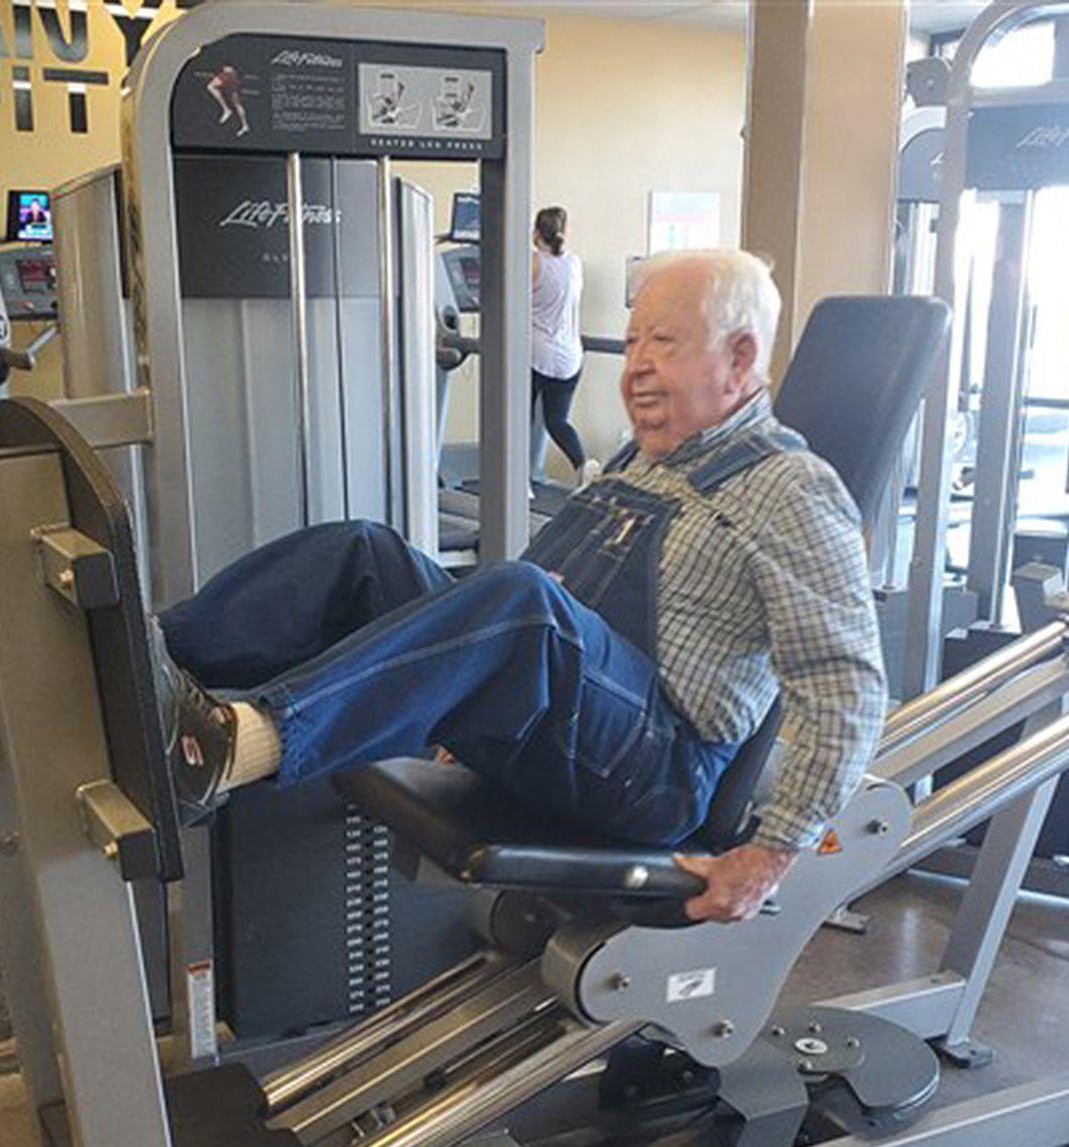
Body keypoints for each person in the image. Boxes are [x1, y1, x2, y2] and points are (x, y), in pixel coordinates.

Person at [153, 250, 886, 924]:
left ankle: (226, 749)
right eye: (631, 344)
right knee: (367, 553)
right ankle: (154, 660)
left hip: (655, 775)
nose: (634, 367)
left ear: (740, 358)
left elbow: (848, 692)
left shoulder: (792, 490)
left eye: (663, 342)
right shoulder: (644, 459)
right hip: (572, 731)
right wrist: (461, 689)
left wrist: (770, 856)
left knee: (521, 602)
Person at [529, 206, 591, 484]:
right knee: (557, 421)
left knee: (518, 421)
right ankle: (583, 467)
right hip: (570, 356)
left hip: (536, 354)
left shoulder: (532, 263)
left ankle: (519, 485)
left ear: (536, 232)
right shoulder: (575, 262)